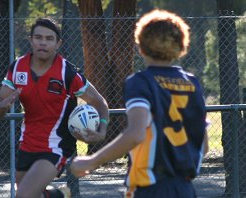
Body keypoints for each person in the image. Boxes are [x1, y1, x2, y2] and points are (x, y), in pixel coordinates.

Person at [70, 9, 209, 198]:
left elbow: (135, 134)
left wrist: (93, 160)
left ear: (140, 46)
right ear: (181, 46)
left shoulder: (141, 82)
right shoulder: (193, 84)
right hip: (185, 188)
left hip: (151, 188)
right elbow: (204, 145)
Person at [0, 18, 109, 198]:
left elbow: (100, 103)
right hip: (27, 143)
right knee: (31, 195)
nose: (43, 43)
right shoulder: (17, 68)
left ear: (58, 44)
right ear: (30, 40)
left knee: (23, 196)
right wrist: (2, 107)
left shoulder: (67, 73)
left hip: (57, 145)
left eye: (49, 39)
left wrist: (101, 130)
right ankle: (57, 195)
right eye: (38, 37)